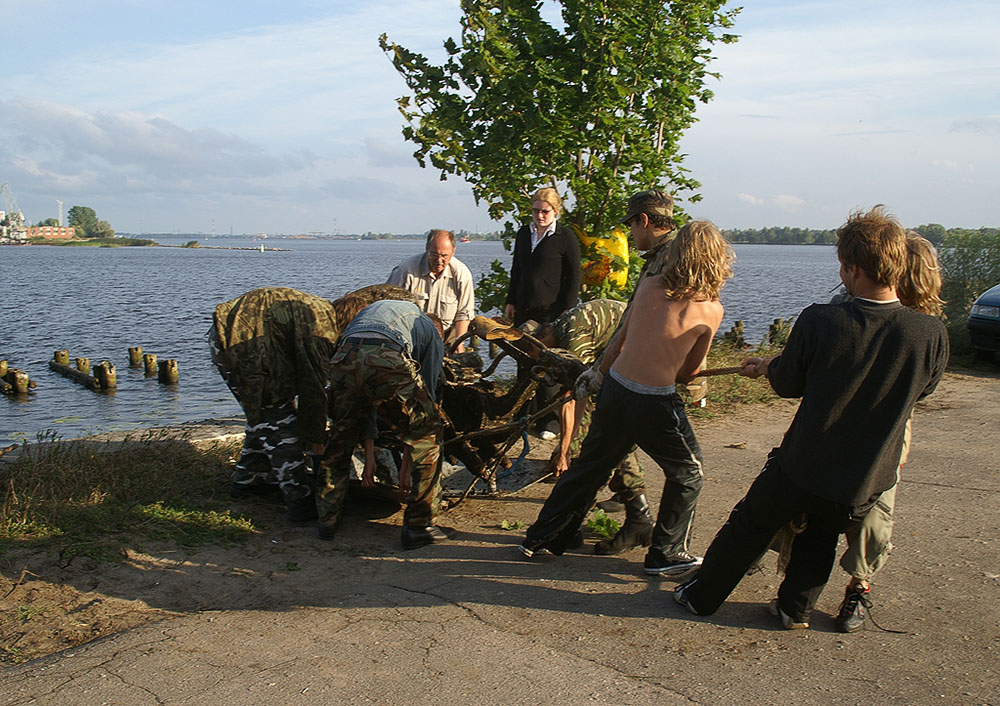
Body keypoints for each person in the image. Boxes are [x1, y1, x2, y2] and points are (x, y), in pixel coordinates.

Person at [674, 207, 949, 629]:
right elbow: (922, 390)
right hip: (865, 476)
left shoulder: (823, 319)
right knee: (819, 533)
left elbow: (788, 383)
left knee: (751, 523)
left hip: (805, 460)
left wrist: (771, 366)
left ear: (853, 268)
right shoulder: (930, 333)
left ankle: (701, 596)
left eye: (843, 266)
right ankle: (793, 610)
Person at [519, 218, 734, 579]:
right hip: (653, 402)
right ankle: (666, 553)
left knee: (591, 466)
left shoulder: (650, 286)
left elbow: (619, 338)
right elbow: (688, 373)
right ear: (716, 260)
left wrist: (597, 372)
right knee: (688, 473)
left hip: (616, 388)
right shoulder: (711, 311)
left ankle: (541, 538)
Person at [833, 231, 945, 632]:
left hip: (888, 423)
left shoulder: (924, 329)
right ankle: (794, 574)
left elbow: (924, 385)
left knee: (876, 501)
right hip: (837, 418)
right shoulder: (848, 303)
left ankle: (859, 586)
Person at [209, 287, 367, 521]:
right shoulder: (321, 332)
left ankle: (248, 481)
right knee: (278, 418)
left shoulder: (322, 314)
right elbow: (313, 391)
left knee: (265, 418)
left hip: (240, 334)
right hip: (236, 342)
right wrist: (317, 444)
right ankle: (299, 500)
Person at [317, 299, 453, 550]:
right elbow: (428, 397)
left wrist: (370, 450)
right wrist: (408, 459)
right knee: (428, 433)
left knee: (341, 434)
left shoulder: (379, 312)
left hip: (346, 353)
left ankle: (327, 518)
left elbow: (365, 403)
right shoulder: (429, 331)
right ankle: (419, 525)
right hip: (387, 352)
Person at [522, 299, 647, 555]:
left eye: (542, 354)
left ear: (543, 339)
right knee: (604, 441)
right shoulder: (563, 326)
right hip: (629, 358)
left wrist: (566, 448)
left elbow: (581, 391)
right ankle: (585, 521)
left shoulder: (574, 334)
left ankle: (578, 523)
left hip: (643, 359)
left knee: (603, 440)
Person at [387, 229, 476, 352]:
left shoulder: (461, 273)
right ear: (427, 249)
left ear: (453, 252)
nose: (439, 261)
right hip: (411, 336)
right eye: (434, 254)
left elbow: (464, 313)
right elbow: (390, 309)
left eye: (444, 256)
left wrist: (459, 344)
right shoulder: (405, 270)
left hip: (447, 336)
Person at [504, 187, 581, 327]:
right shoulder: (524, 234)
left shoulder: (565, 236)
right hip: (523, 308)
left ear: (555, 211)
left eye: (545, 211)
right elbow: (516, 270)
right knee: (519, 347)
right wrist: (510, 301)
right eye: (536, 210)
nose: (539, 215)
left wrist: (568, 308)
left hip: (550, 311)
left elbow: (573, 275)